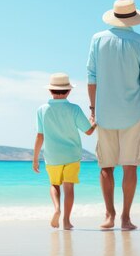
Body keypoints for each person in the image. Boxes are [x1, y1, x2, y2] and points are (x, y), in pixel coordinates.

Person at [87, 0, 140, 230]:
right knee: (130, 166)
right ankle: (126, 218)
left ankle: (109, 215)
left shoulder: (97, 40)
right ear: (133, 18)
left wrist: (93, 110)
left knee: (106, 167)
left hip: (105, 113)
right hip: (133, 113)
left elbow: (91, 78)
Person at [33, 73, 97, 230]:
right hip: (72, 155)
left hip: (52, 155)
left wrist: (35, 158)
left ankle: (56, 209)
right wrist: (93, 122)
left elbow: (40, 136)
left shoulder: (42, 110)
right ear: (68, 91)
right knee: (69, 188)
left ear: (50, 91)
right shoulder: (74, 109)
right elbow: (88, 131)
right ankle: (67, 221)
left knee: (54, 185)